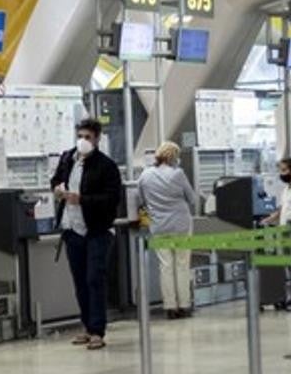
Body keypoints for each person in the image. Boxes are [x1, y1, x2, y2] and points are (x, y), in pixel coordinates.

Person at [50, 118, 123, 350]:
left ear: (97, 139)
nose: (83, 141)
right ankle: (87, 326)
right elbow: (56, 180)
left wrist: (82, 200)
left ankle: (97, 330)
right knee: (80, 280)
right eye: (80, 136)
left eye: (88, 137)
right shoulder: (67, 159)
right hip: (72, 229)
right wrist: (58, 189)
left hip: (97, 230)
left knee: (94, 279)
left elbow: (112, 199)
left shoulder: (106, 166)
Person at [136, 142, 198, 319]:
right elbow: (192, 199)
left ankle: (170, 307)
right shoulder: (178, 174)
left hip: (159, 226)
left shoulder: (145, 175)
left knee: (165, 266)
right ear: (174, 157)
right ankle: (184, 305)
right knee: (182, 264)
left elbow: (140, 198)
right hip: (181, 225)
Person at [259, 157, 291, 310]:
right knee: (290, 265)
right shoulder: (287, 189)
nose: (281, 174)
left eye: (284, 170)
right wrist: (269, 219)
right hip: (285, 232)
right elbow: (282, 210)